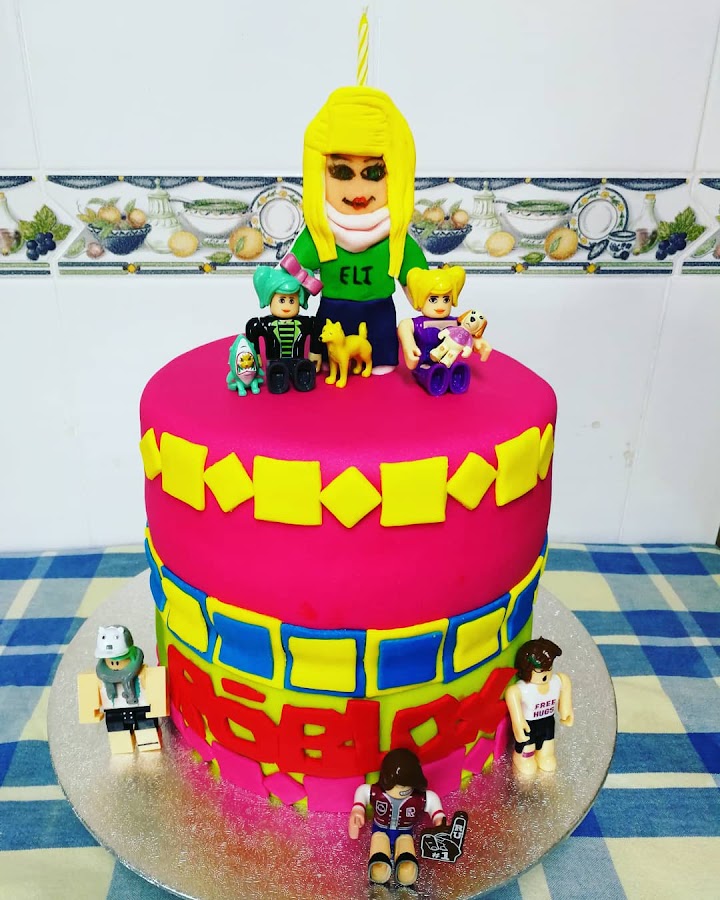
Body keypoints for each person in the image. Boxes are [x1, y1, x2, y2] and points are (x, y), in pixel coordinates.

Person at [291, 86, 428, 373]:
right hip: (332, 314)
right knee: (329, 367)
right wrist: (288, 290)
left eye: (374, 173)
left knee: (380, 367)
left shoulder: (395, 239)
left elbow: (419, 282)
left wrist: (428, 290)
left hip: (379, 315)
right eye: (342, 172)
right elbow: (291, 275)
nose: (358, 192)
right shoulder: (319, 235)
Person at [348, 748, 445, 886]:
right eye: (398, 785)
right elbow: (362, 791)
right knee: (379, 846)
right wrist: (357, 810)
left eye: (406, 786)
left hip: (405, 832)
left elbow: (434, 804)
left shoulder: (419, 798)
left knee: (406, 850)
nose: (402, 790)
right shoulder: (377, 793)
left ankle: (406, 868)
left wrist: (440, 822)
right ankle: (379, 868)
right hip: (380, 830)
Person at [246, 260, 318, 393]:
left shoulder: (305, 323)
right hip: (275, 361)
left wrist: (314, 352)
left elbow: (316, 327)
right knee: (276, 370)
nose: (287, 305)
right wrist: (255, 354)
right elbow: (252, 327)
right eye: (282, 300)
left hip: (298, 359)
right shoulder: (265, 324)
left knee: (303, 369)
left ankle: (302, 379)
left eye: (292, 300)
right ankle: (278, 382)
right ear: (270, 299)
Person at [505, 637, 574, 775]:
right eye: (540, 670)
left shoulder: (558, 681)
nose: (546, 674)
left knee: (547, 749)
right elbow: (516, 713)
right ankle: (522, 758)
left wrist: (566, 709)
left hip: (547, 721)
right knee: (527, 750)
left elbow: (565, 694)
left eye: (549, 668)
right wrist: (519, 725)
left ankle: (544, 755)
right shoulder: (520, 690)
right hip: (529, 724)